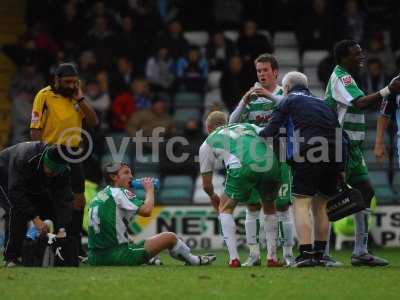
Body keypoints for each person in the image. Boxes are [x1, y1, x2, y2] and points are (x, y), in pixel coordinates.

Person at [259, 71, 348, 267]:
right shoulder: (325, 104)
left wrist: (256, 134)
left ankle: (306, 254)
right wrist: (342, 167)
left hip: (309, 151)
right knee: (321, 205)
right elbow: (343, 136)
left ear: (287, 87)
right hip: (334, 153)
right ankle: (322, 254)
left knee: (301, 203)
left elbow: (271, 130)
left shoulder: (288, 100)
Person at [325, 39, 400, 266]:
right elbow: (359, 103)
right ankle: (321, 252)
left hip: (353, 148)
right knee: (330, 198)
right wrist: (388, 90)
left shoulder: (348, 78)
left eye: (361, 53)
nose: (361, 58)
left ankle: (360, 251)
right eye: (356, 55)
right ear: (343, 58)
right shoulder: (341, 76)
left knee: (366, 192)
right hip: (340, 146)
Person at [229, 53, 294, 267]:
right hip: (257, 161)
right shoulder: (253, 96)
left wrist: (267, 94)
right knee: (252, 206)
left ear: (275, 72)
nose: (262, 74)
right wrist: (243, 101)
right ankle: (254, 254)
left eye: (266, 70)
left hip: (281, 157)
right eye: (259, 71)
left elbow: (290, 107)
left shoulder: (281, 94)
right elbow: (231, 122)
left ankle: (287, 255)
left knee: (283, 207)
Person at [30, 63, 99, 260]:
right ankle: (45, 244)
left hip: (73, 152)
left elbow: (94, 122)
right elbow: (35, 128)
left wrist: (81, 99)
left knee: (79, 198)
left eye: (74, 82)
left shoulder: (77, 98)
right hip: (50, 151)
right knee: (51, 199)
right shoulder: (44, 95)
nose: (71, 86)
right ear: (57, 80)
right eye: (67, 82)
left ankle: (75, 245)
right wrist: (39, 155)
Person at [87, 162, 216, 266]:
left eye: (131, 172)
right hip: (116, 256)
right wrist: (149, 190)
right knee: (169, 237)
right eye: (126, 173)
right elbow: (147, 211)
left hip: (94, 257)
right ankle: (195, 261)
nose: (131, 177)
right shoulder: (120, 192)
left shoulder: (99, 195)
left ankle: (151, 259)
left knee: (130, 239)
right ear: (114, 177)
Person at [199, 111, 281, 267]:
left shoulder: (208, 142)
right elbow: (270, 136)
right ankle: (272, 258)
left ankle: (234, 259)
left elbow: (206, 184)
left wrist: (212, 196)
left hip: (242, 166)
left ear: (208, 128)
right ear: (226, 122)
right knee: (270, 208)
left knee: (225, 208)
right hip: (270, 163)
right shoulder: (248, 125)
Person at [0, 142, 73, 267]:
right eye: (50, 173)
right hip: (5, 175)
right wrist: (35, 218)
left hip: (30, 181)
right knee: (15, 211)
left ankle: (43, 253)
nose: (53, 176)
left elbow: (63, 200)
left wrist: (62, 228)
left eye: (56, 174)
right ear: (44, 162)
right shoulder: (24, 158)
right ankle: (11, 257)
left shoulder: (63, 170)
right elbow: (16, 194)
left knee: (49, 206)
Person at [374, 84, 400, 166]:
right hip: (341, 139)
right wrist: (378, 143)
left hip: (344, 142)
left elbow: (361, 103)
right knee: (340, 171)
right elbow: (360, 103)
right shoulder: (397, 82)